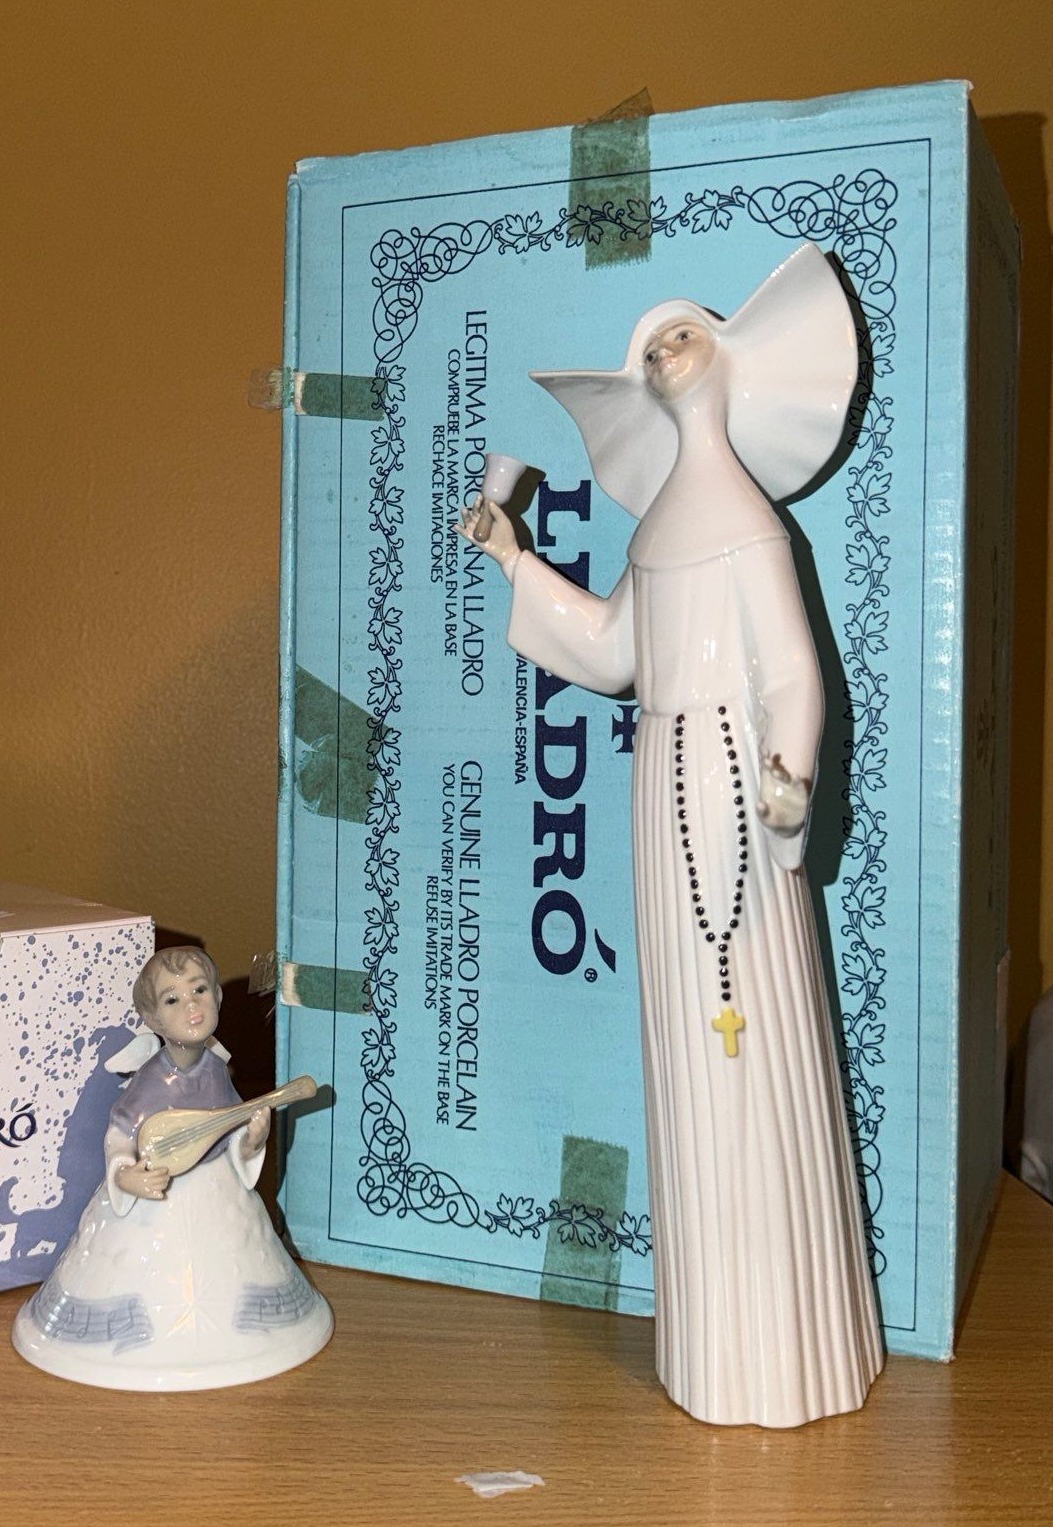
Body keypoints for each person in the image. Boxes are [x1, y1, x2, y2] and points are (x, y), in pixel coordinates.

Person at [459, 243, 883, 1427]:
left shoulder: (751, 526)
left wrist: (791, 781)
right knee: (688, 1037)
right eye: (649, 349)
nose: (664, 355)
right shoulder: (658, 534)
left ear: (730, 357)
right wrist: (512, 556)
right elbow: (611, 653)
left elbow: (793, 678)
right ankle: (715, 1342)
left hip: (740, 782)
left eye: (682, 333)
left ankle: (791, 1338)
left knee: (751, 1021)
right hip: (664, 780)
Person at [12, 946, 332, 1390]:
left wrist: (252, 1139)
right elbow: (120, 1135)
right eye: (172, 999)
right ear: (153, 1019)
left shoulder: (216, 1070)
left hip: (217, 1191)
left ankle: (242, 1333)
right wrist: (125, 1174)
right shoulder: (150, 1080)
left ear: (218, 996)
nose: (191, 1006)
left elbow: (228, 1130)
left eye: (199, 990)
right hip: (154, 1197)